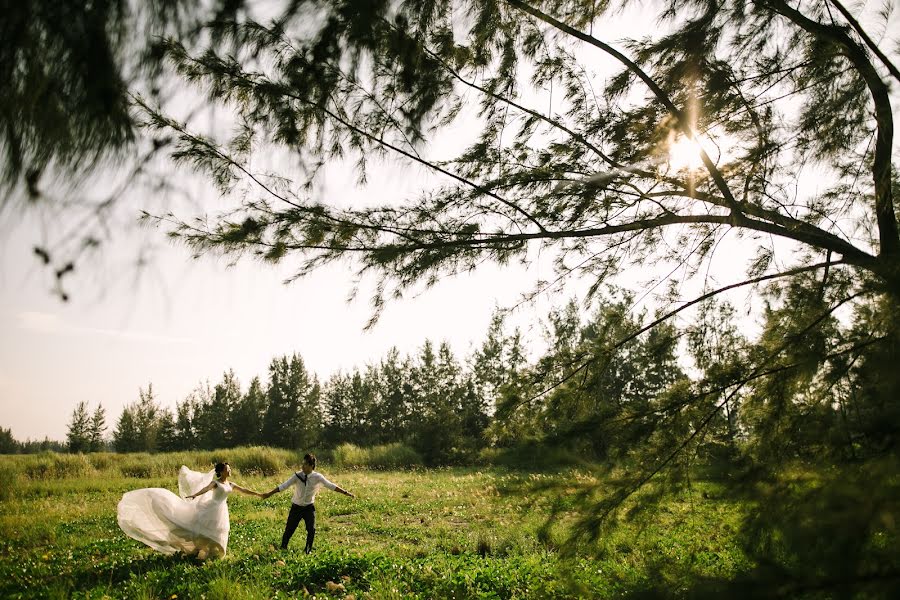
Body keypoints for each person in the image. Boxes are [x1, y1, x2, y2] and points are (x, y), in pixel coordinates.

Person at [117, 462, 266, 560]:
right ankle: (200, 550)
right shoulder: (215, 483)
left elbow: (244, 490)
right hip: (211, 509)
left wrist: (259, 494)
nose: (230, 470)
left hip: (222, 510)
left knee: (219, 530)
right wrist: (194, 495)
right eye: (228, 469)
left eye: (230, 468)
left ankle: (213, 552)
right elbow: (205, 489)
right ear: (222, 471)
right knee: (203, 530)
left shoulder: (231, 484)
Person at [264, 453, 355, 553]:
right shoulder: (297, 476)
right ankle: (283, 548)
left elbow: (331, 486)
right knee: (289, 529)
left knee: (311, 530)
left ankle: (308, 550)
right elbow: (284, 486)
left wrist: (346, 493)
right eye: (302, 464)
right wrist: (269, 493)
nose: (302, 466)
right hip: (296, 508)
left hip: (308, 508)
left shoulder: (318, 477)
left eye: (305, 464)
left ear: (311, 466)